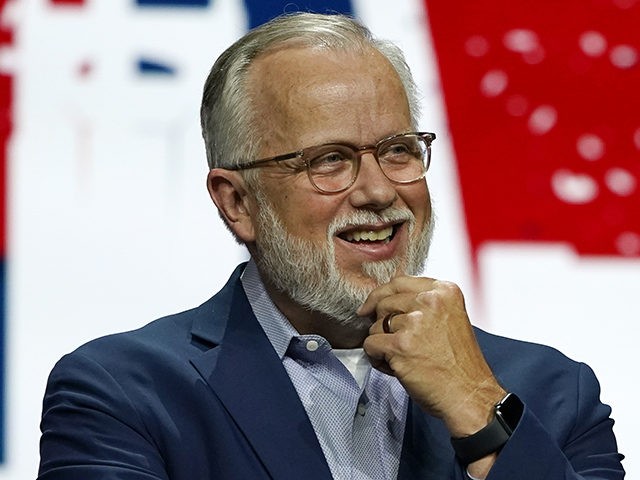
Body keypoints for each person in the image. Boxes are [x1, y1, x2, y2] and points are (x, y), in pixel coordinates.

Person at [38, 12, 624, 480]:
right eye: (329, 161)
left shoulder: (552, 392)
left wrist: (478, 409)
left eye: (398, 150)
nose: (377, 191)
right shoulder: (123, 395)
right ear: (237, 202)